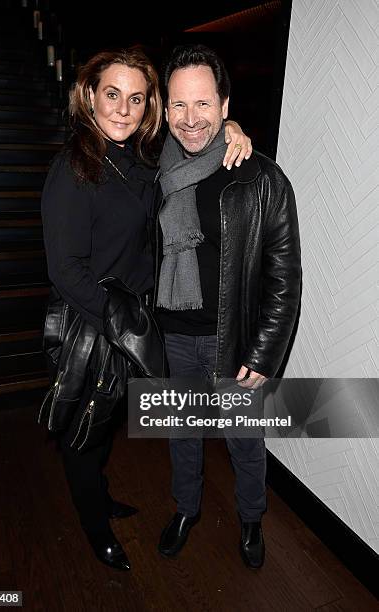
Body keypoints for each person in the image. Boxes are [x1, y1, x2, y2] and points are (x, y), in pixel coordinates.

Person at [41, 46, 252, 572]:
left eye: (136, 98)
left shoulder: (138, 157)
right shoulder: (74, 167)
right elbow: (65, 272)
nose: (122, 108)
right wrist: (122, 325)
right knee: (84, 428)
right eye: (112, 94)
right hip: (91, 323)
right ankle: (95, 528)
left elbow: (196, 135)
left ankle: (102, 496)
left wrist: (234, 127)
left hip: (132, 320)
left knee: (108, 419)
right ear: (89, 95)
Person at [155, 44, 301, 569]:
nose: (191, 119)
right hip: (174, 332)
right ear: (165, 108)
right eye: (178, 105)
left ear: (223, 105)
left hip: (233, 341)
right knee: (183, 434)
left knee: (244, 439)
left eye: (203, 104)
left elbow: (284, 277)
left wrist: (264, 354)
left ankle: (251, 519)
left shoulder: (260, 177)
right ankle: (185, 511)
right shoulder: (160, 172)